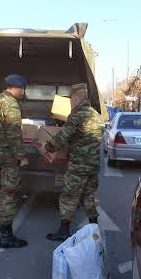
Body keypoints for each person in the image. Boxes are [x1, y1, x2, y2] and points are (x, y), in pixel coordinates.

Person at [45, 83, 105, 241]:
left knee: (68, 196)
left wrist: (47, 146)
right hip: (93, 165)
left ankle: (64, 231)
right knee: (88, 196)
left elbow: (64, 135)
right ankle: (95, 227)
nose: (71, 102)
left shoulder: (77, 115)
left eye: (71, 99)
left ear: (77, 98)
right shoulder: (96, 115)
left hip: (79, 165)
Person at [0, 74, 29, 249]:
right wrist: (21, 157)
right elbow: (14, 134)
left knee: (1, 191)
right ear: (17, 87)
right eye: (23, 89)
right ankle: (6, 236)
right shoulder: (11, 104)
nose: (23, 92)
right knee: (10, 195)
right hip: (9, 157)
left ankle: (0, 223)